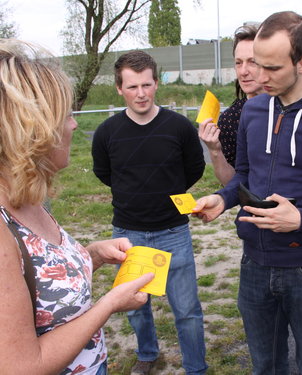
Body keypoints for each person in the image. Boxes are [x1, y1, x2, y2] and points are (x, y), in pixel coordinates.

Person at [193, 11, 302, 375]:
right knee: (266, 366)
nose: (260, 76)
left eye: (272, 68)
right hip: (254, 264)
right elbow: (243, 174)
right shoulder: (253, 110)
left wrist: (301, 219)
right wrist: (223, 199)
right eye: (257, 64)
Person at [0, 39, 154, 375]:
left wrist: (93, 255)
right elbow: (20, 366)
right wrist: (110, 303)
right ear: (32, 130)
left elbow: (39, 287)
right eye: (65, 115)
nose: (73, 125)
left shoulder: (28, 200)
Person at [91, 51, 207, 375]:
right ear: (119, 89)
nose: (140, 93)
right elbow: (105, 173)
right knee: (135, 308)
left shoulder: (179, 127)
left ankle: (196, 368)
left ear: (156, 83)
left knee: (187, 310)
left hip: (174, 232)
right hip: (128, 235)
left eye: (146, 85)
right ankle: (147, 353)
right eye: (132, 87)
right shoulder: (106, 132)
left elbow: (194, 168)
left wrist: (164, 191)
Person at [199, 24, 263, 185]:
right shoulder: (231, 119)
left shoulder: (294, 106)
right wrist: (214, 151)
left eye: (252, 62)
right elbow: (231, 184)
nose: (243, 71)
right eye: (238, 63)